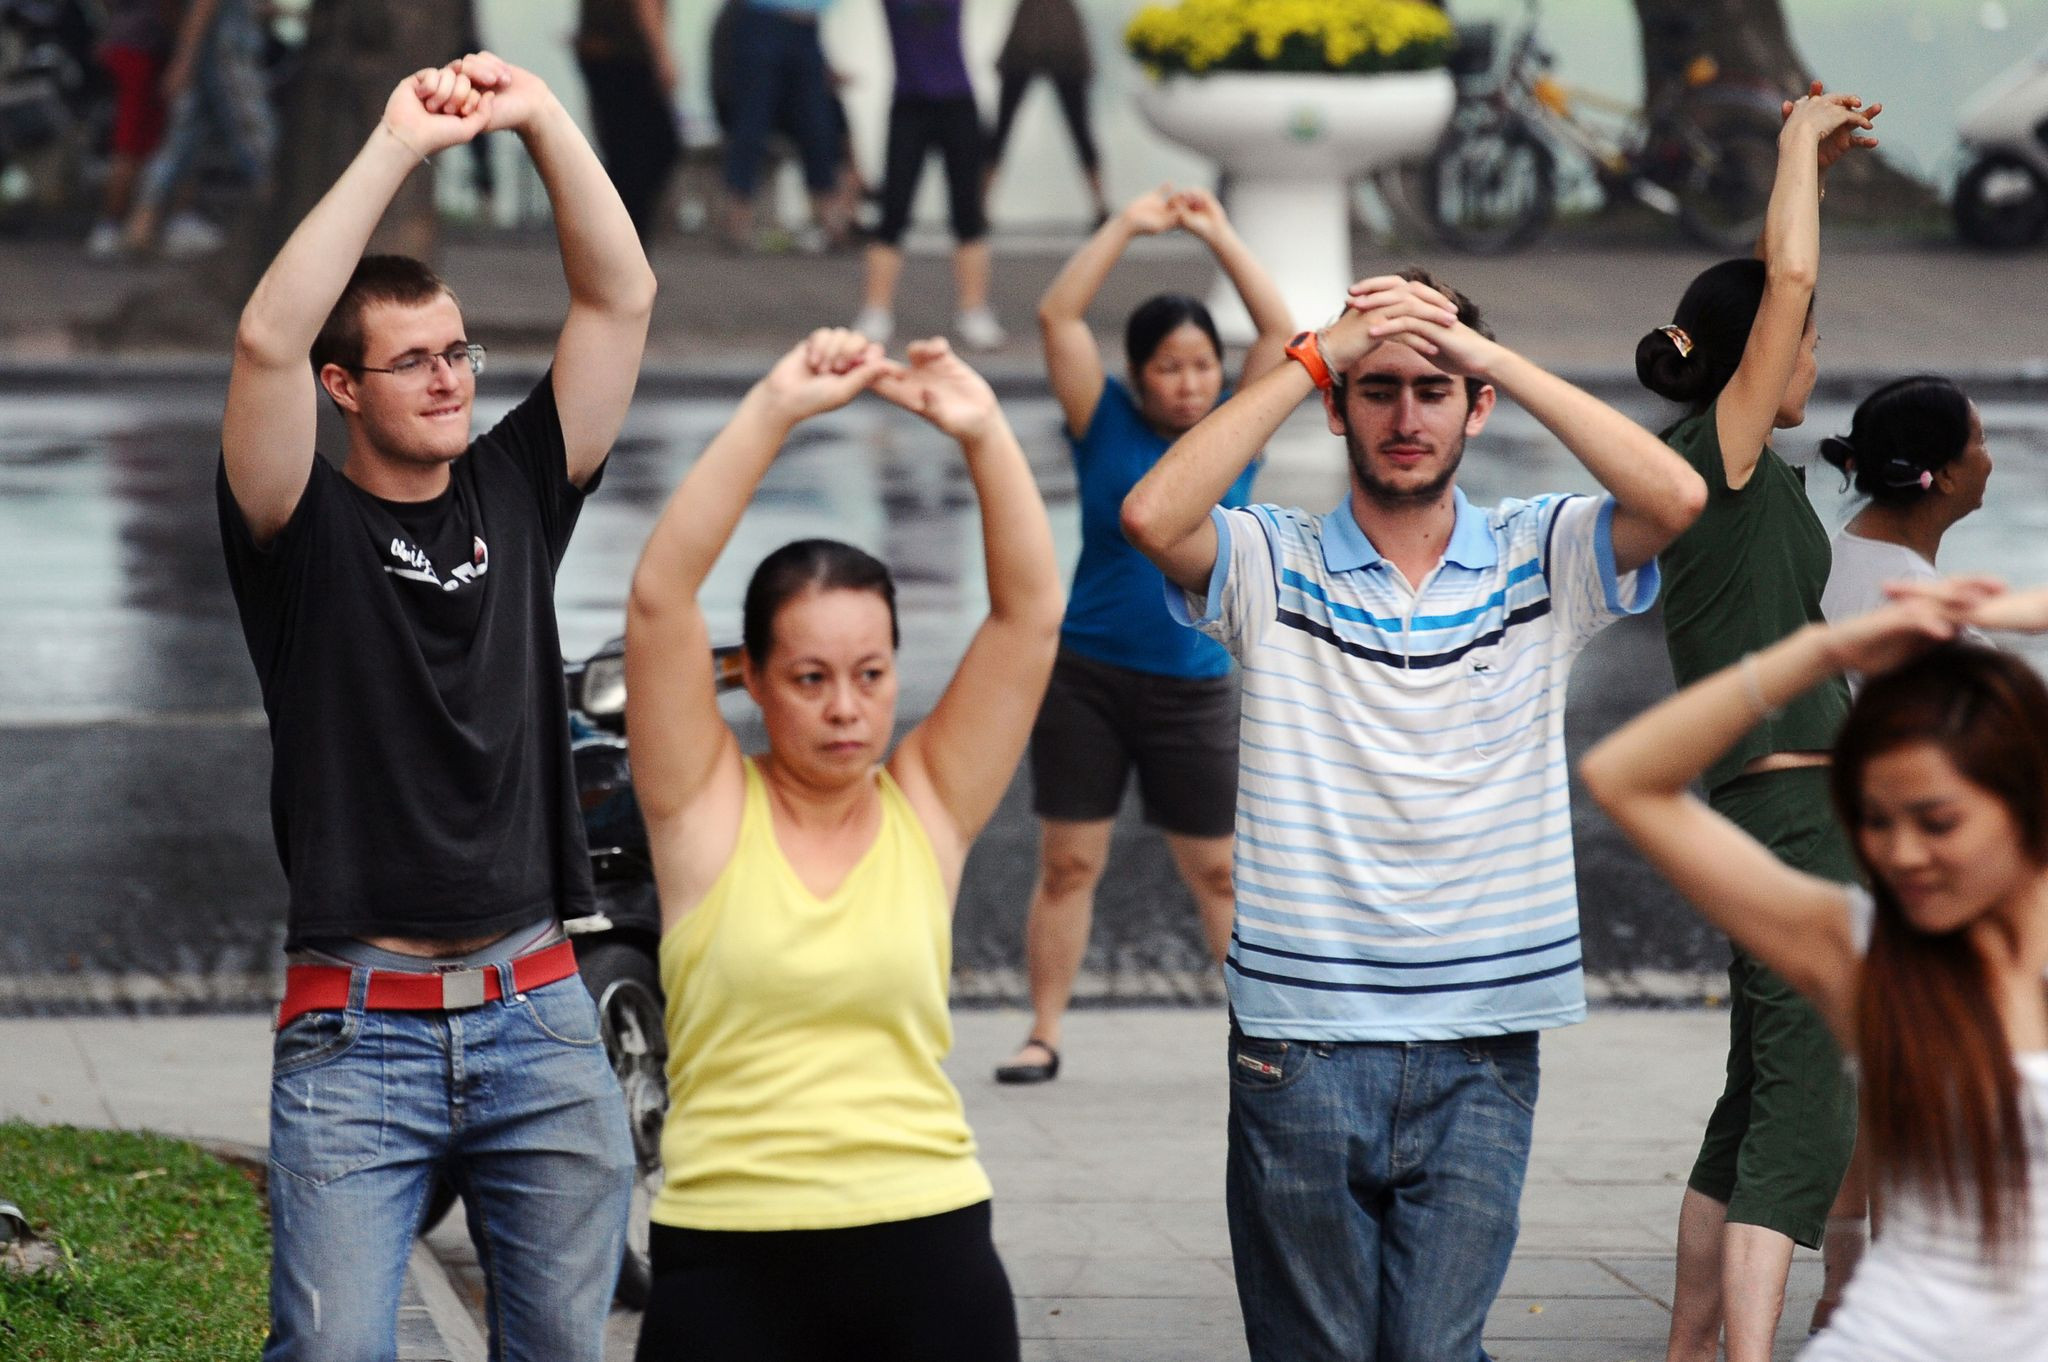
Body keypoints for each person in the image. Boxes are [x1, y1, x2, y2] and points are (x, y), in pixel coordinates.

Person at [1120, 270, 1707, 1361]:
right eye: (1377, 388)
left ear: (1475, 406)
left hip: (1484, 1035)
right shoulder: (1273, 559)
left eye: (1434, 390)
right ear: (1337, 407)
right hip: (1300, 1037)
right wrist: (1314, 354)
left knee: (1436, 1351)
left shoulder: (1540, 552)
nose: (1405, 417)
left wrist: (1491, 357)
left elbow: (1675, 497)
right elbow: (1151, 515)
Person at [216, 52, 655, 1361]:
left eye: (458, 351)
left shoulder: (516, 488)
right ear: (343, 389)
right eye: (411, 361)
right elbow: (266, 338)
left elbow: (620, 296)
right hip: (359, 1033)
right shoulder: (298, 525)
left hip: (541, 1017)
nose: (451, 378)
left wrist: (542, 119)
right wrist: (398, 143)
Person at [622, 328, 1062, 1361]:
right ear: (753, 678)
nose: (845, 709)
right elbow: (659, 598)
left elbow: (1030, 615)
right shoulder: (700, 810)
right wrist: (774, 408)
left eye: (870, 675)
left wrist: (983, 433)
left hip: (927, 1245)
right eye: (810, 678)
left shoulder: (929, 805)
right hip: (726, 1258)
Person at [1580, 582, 2048, 1362]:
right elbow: (1625, 778)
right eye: (1875, 821)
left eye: (1938, 821)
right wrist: (1819, 652)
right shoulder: (1859, 952)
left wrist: (2024, 612)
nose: (1901, 854)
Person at [1632, 85, 1882, 1362]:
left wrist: (1811, 177)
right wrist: (1790, 136)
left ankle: (1692, 1348)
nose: (1811, 359)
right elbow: (1778, 283)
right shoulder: (1714, 462)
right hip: (1787, 814)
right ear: (1753, 359)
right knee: (1806, 1111)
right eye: (1800, 341)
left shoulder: (1728, 465)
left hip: (1774, 809)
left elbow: (1773, 280)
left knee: (1756, 1100)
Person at [993, 186, 1291, 1086]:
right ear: (1136, 374)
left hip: (1192, 683)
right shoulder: (1105, 420)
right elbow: (1057, 315)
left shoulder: (1235, 431)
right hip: (1085, 677)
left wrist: (1220, 231)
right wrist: (1125, 224)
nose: (1190, 383)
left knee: (1220, 875)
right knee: (1069, 863)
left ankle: (1260, 1036)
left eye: (1202, 365)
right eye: (1169, 368)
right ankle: (1043, 1033)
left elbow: (1280, 334)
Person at [853, 0, 1004, 350]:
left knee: (967, 214)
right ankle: (875, 311)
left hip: (958, 106)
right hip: (909, 107)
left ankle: (974, 311)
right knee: (893, 212)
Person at [1819, 376, 1993, 627]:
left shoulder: (1831, 556)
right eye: (1982, 442)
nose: (1989, 461)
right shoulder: (1916, 595)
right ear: (1945, 475)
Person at [122, 0, 276, 256]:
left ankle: (142, 224)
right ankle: (282, 221)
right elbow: (204, 5)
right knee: (260, 141)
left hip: (212, 51)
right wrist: (183, 60)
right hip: (226, 53)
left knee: (181, 138)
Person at [719, 0, 850, 251]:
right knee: (751, 123)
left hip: (807, 25)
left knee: (819, 125)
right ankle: (737, 219)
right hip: (762, 20)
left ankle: (829, 217)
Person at [984, 0, 1105, 227]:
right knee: (1003, 128)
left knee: (1079, 128)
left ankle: (1101, 205)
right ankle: (979, 205)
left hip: (1054, 34)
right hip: (1036, 33)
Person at [575, 0, 683, 240]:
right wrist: (662, 54)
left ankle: (618, 239)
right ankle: (623, 240)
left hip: (603, 47)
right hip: (625, 52)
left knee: (625, 154)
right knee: (652, 149)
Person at [86, 0, 176, 256]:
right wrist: (181, 43)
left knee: (135, 141)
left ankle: (125, 223)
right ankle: (111, 224)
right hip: (144, 48)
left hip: (124, 41)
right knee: (133, 144)